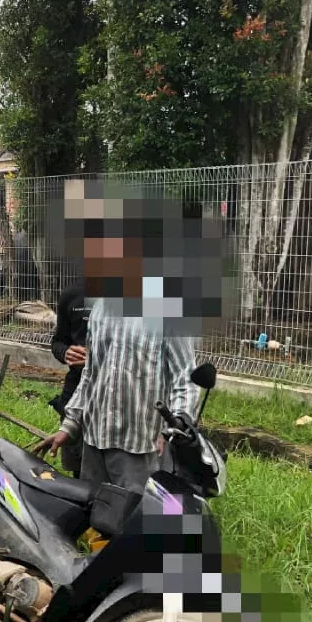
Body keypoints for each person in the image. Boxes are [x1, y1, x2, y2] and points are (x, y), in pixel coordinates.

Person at [47, 202, 200, 496]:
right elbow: (91, 377)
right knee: (95, 518)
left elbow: (185, 378)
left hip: (140, 446)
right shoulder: (103, 309)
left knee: (135, 522)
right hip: (95, 441)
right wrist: (69, 426)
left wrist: (174, 432)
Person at [48, 280, 89, 477]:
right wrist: (66, 352)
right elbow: (58, 341)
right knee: (79, 468)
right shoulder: (72, 294)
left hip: (116, 395)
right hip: (77, 390)